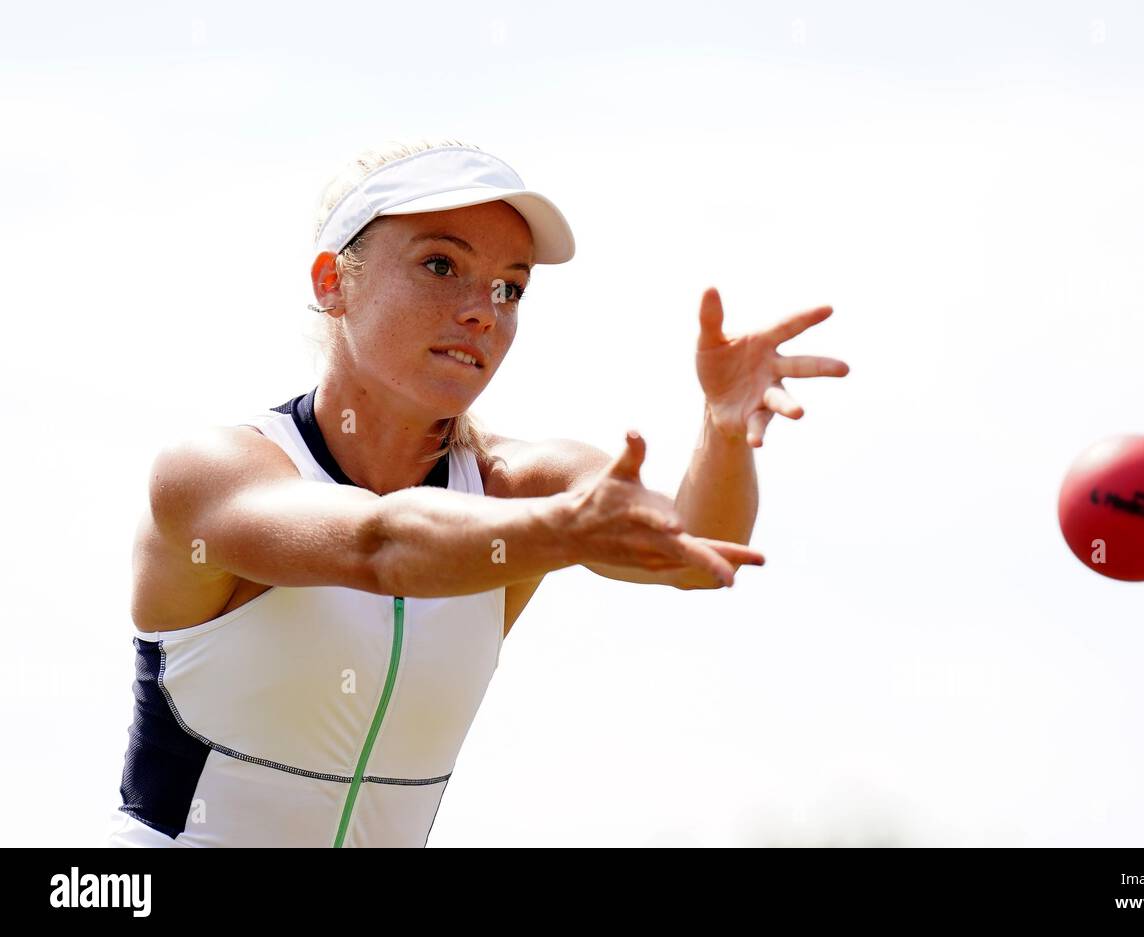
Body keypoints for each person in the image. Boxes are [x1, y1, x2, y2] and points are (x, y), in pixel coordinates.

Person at [109, 139, 849, 847]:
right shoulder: (210, 471)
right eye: (440, 264)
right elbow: (380, 544)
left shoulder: (515, 485)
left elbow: (692, 552)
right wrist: (563, 531)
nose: (483, 310)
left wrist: (720, 432)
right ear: (332, 281)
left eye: (510, 287)